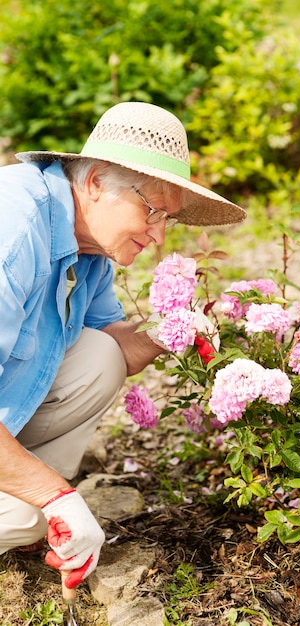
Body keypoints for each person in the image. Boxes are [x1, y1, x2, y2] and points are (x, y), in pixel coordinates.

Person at [0, 101, 246, 588]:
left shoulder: (86, 246)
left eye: (166, 219)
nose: (157, 236)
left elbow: (107, 346)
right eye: (152, 210)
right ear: (94, 183)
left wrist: (169, 330)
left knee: (100, 355)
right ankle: (27, 506)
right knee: (32, 514)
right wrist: (55, 497)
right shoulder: (15, 230)